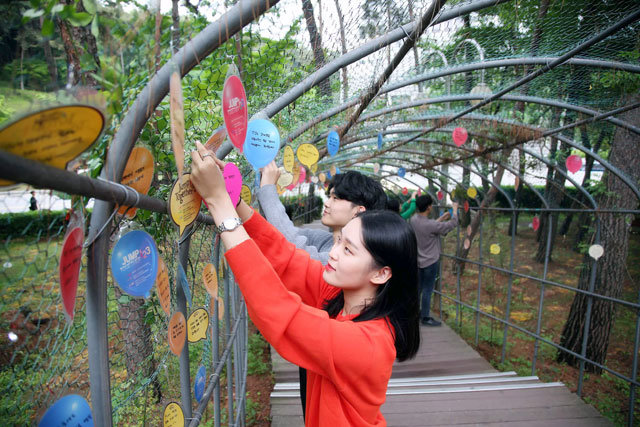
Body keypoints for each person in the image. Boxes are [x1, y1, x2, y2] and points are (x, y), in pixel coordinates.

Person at [190, 143, 420, 426]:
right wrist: (232, 197)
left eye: (348, 250)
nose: (333, 253)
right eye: (339, 241)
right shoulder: (339, 296)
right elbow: (286, 258)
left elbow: (280, 312)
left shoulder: (367, 343)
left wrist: (219, 205)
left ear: (381, 274)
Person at [257, 161, 388, 419]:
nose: (327, 202)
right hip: (318, 346)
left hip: (330, 349)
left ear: (358, 212)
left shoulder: (336, 260)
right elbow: (287, 234)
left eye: (336, 198)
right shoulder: (330, 240)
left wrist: (267, 190)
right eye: (329, 195)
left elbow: (289, 246)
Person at [410, 195, 459, 327]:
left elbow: (431, 227)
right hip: (430, 261)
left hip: (418, 260)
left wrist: (441, 218)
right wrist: (455, 211)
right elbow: (452, 224)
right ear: (429, 207)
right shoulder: (430, 224)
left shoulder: (414, 220)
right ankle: (425, 317)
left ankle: (415, 313)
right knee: (427, 290)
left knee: (418, 288)